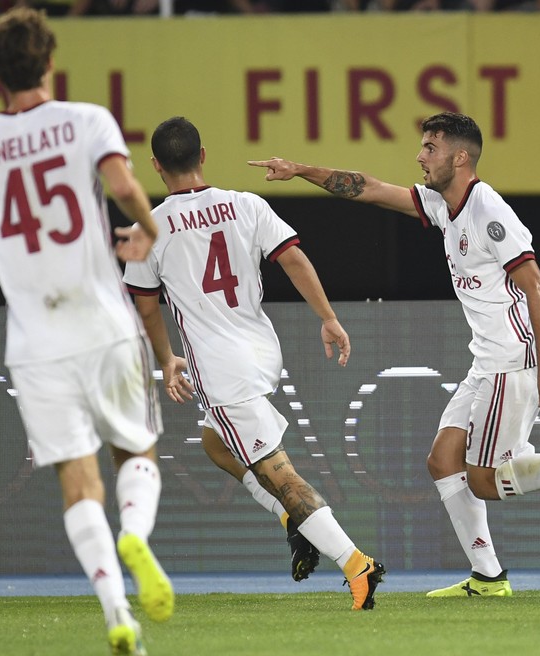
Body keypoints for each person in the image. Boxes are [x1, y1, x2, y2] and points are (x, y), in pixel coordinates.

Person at [248, 111, 540, 598]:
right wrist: (300, 169)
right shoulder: (445, 205)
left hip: (513, 361)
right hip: (485, 363)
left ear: (460, 157)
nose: (420, 156)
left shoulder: (489, 210)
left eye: (430, 148)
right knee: (444, 461)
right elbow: (369, 188)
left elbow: (539, 289)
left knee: (485, 482)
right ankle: (488, 576)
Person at [0, 8, 171, 654]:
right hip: (104, 322)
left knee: (77, 482)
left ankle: (117, 613)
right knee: (137, 453)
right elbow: (121, 185)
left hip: (36, 344)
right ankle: (136, 539)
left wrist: (7, 246)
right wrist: (150, 231)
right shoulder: (86, 119)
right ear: (49, 61)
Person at [122, 116, 385, 610]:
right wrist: (328, 318)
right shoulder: (247, 204)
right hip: (262, 350)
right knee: (216, 444)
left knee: (280, 475)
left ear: (155, 166)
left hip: (221, 370)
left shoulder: (147, 229)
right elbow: (293, 259)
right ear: (203, 156)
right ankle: (293, 521)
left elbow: (144, 303)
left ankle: (357, 566)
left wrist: (166, 359)